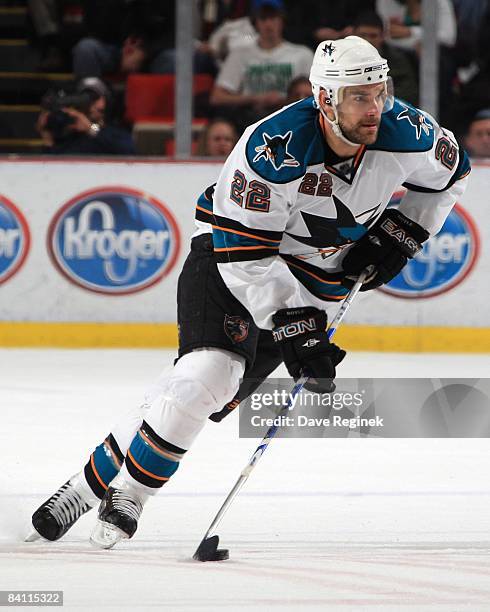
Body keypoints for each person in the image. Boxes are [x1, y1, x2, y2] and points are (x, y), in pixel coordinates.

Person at [27, 36, 470, 549]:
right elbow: (248, 262)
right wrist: (296, 325)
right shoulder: (270, 151)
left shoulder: (408, 131)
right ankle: (129, 495)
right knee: (207, 377)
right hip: (229, 255)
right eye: (359, 97)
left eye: (380, 93)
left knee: (205, 398)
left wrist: (403, 230)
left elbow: (452, 174)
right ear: (325, 99)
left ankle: (86, 484)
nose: (376, 110)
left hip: (315, 274)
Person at [210, 0, 313, 130]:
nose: (268, 24)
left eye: (273, 18)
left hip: (290, 118)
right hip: (248, 119)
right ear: (255, 22)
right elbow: (217, 97)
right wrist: (256, 98)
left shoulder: (302, 54)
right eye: (263, 18)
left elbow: (313, 94)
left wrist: (282, 100)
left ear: (282, 20)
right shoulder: (240, 54)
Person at [37, 77, 135, 155]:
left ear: (106, 101)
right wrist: (47, 139)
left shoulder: (112, 131)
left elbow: (128, 150)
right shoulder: (71, 131)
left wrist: (90, 128)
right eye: (86, 98)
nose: (91, 104)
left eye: (95, 98)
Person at [352, 10, 418, 105]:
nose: (367, 40)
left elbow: (408, 93)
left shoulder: (397, 59)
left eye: (373, 36)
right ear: (353, 35)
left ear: (382, 36)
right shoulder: (338, 57)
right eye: (362, 35)